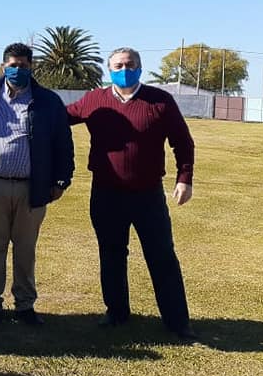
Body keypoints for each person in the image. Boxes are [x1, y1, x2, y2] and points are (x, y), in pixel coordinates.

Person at [66, 46, 197, 340]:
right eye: (118, 65)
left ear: (140, 67)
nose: (124, 70)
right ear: (108, 69)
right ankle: (116, 313)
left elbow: (183, 142)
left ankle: (177, 321)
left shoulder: (160, 101)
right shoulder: (94, 100)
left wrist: (184, 178)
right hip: (106, 192)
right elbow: (59, 118)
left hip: (147, 195)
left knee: (162, 255)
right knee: (111, 254)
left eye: (130, 64)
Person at [0, 42, 74, 325]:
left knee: (26, 248)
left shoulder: (47, 101)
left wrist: (62, 179)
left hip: (31, 186)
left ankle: (25, 304)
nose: (17, 70)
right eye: (12, 65)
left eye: (23, 66)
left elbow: (63, 143)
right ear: (3, 66)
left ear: (31, 67)